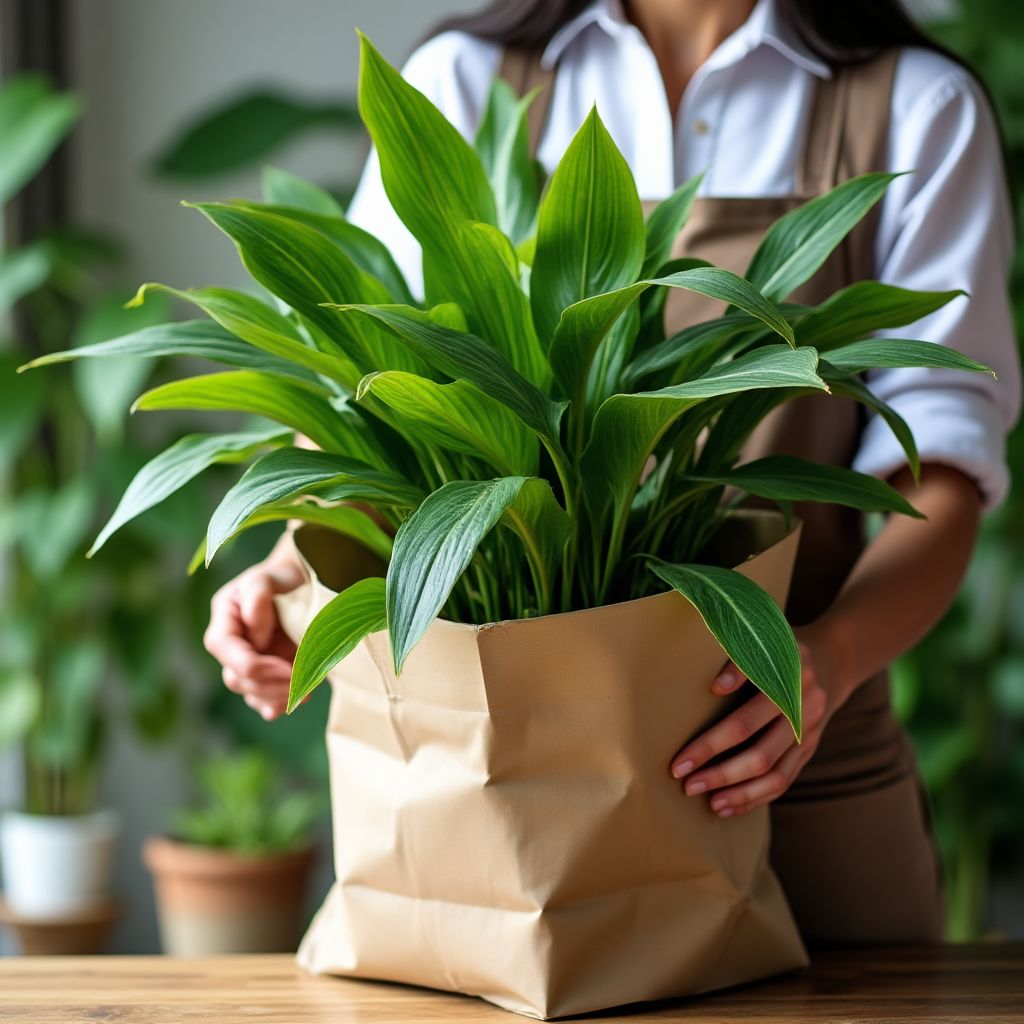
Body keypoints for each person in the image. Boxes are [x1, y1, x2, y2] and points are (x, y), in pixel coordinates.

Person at [203, 0, 1021, 944]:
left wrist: (826, 658)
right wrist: (282, 570)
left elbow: (943, 472)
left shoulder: (918, 107)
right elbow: (374, 392)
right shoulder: (471, 79)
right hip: (511, 771)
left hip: (780, 746)